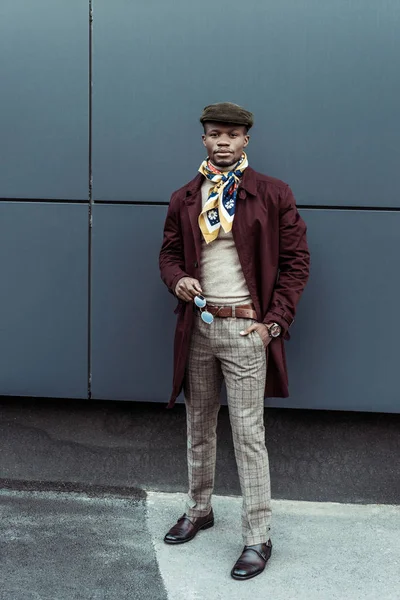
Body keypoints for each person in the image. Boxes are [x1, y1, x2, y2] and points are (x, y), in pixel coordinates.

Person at [159, 102, 310, 580]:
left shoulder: (271, 193)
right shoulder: (185, 197)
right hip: (198, 327)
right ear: (203, 140)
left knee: (248, 436)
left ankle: (257, 536)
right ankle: (199, 508)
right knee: (198, 424)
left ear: (247, 140)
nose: (223, 142)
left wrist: (274, 324)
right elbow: (167, 254)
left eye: (232, 135)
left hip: (246, 330)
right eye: (214, 134)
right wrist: (178, 278)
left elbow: (296, 263)